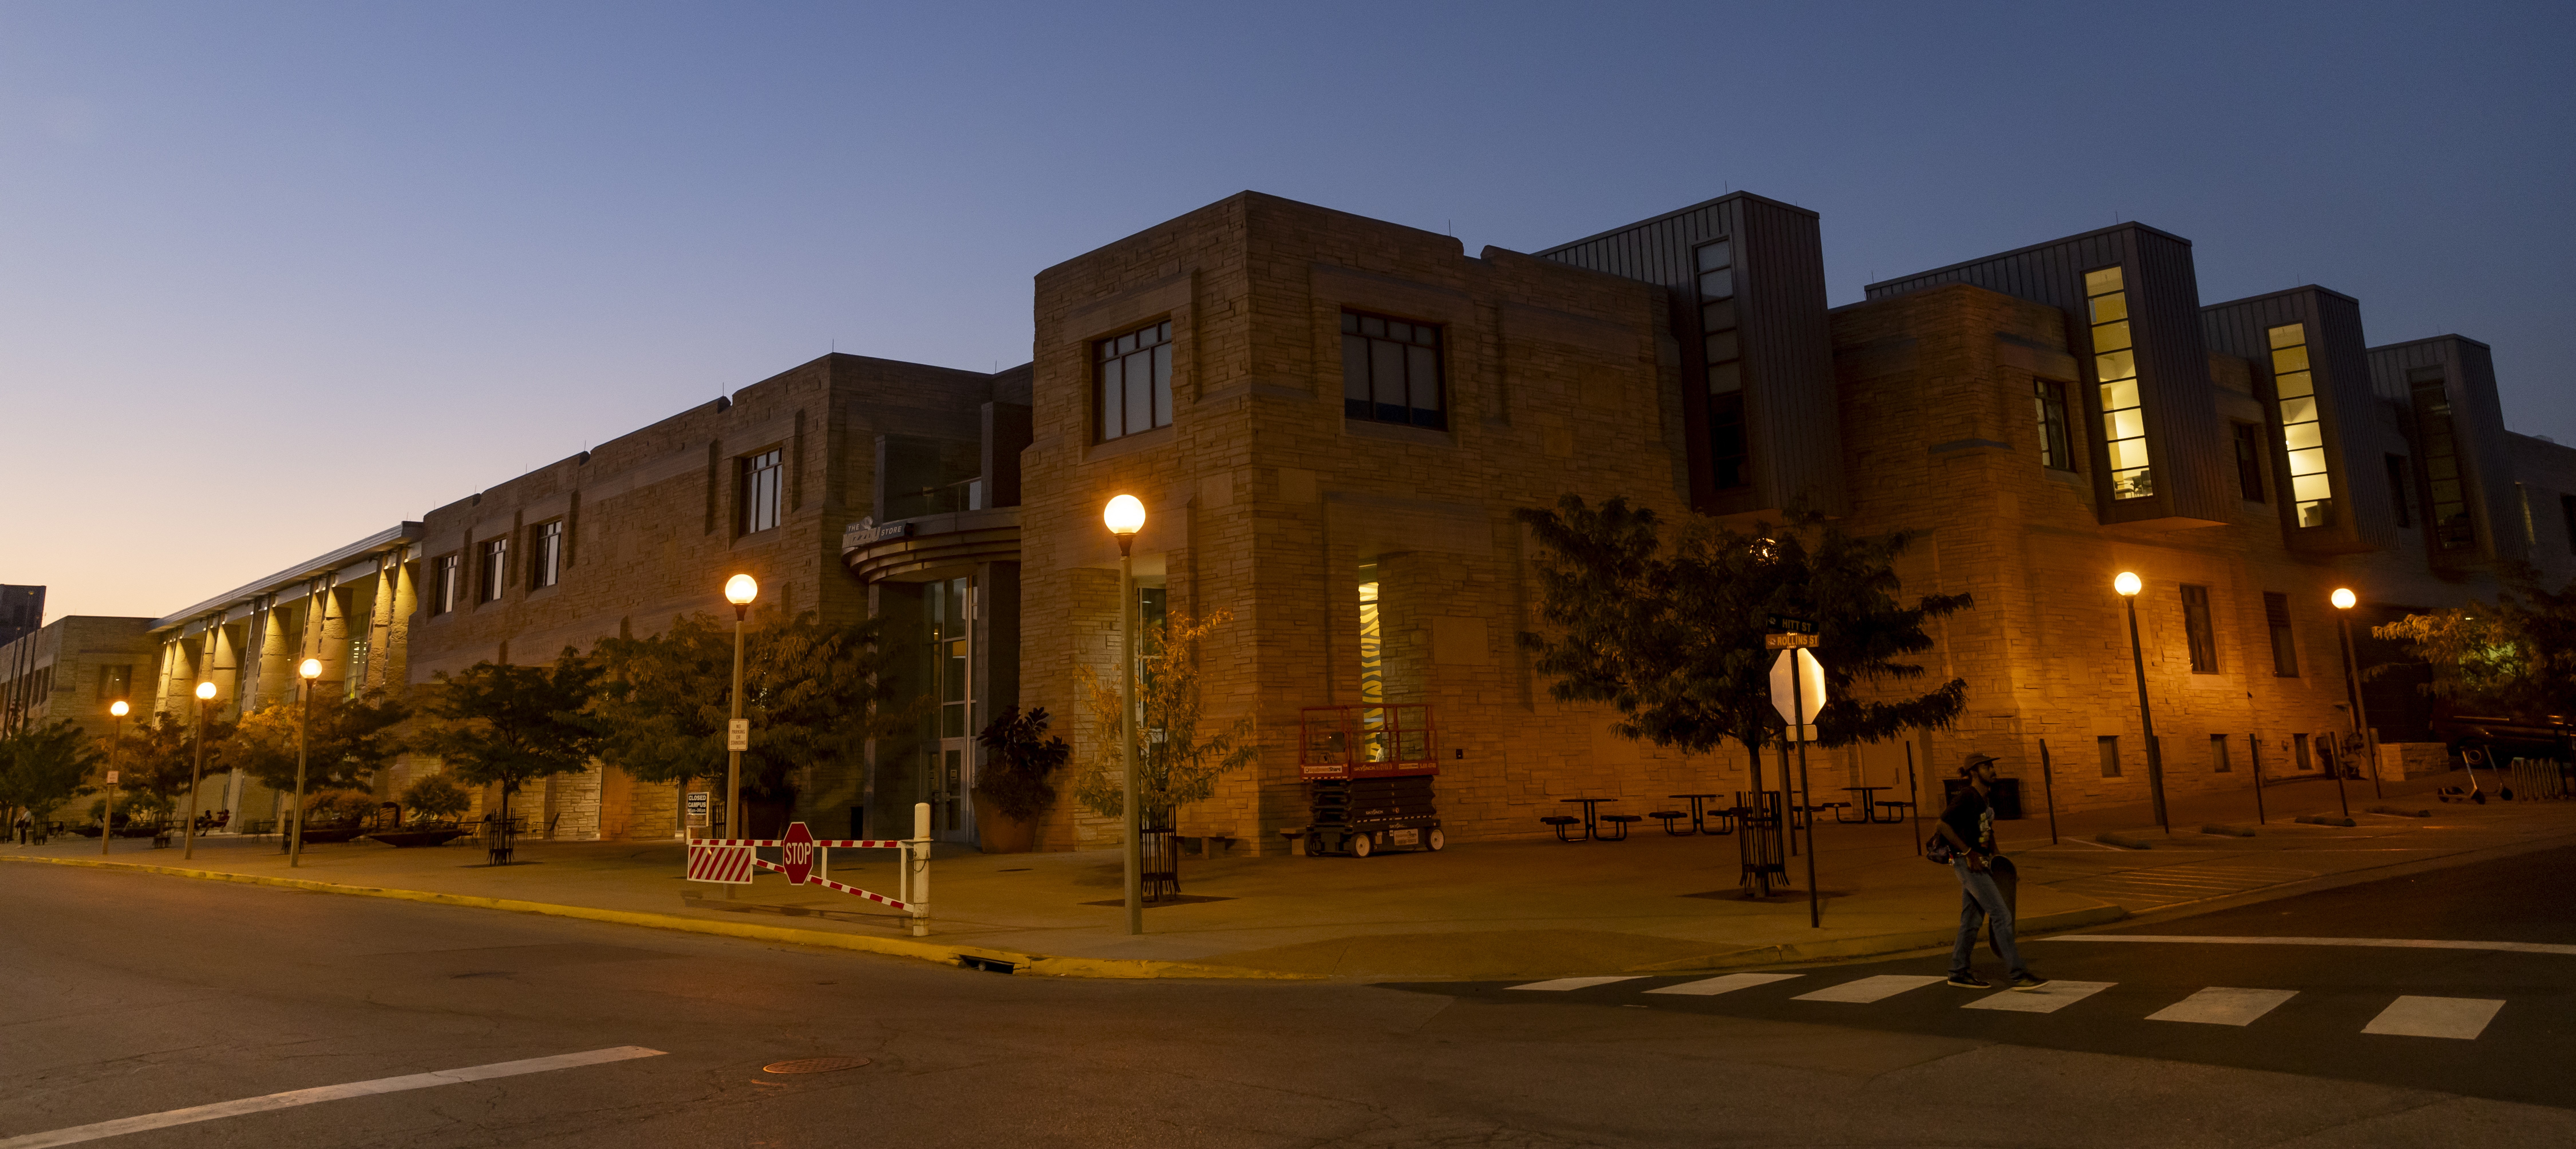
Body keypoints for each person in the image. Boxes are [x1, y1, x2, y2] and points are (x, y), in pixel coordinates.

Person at [1935, 753, 2047, 991]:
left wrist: (1999, 860)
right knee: (2001, 915)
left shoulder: (1984, 798)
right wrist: (1969, 853)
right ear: (1974, 772)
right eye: (1987, 767)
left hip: (1982, 863)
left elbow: (1987, 830)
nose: (1993, 770)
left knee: (1972, 921)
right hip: (1969, 864)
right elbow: (1942, 825)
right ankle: (2019, 975)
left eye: (1992, 766)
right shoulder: (1967, 796)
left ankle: (1958, 972)